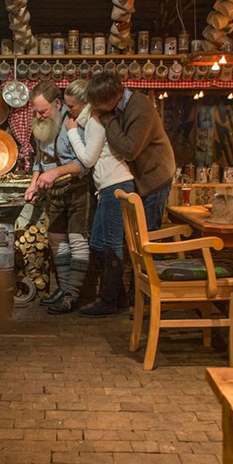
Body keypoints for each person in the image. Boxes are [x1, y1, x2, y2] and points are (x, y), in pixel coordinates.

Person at [62, 80, 134, 318]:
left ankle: (109, 301)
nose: (68, 111)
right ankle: (119, 297)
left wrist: (72, 133)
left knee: (112, 245)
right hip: (107, 188)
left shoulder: (94, 121)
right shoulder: (90, 120)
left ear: (85, 103)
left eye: (71, 106)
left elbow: (88, 159)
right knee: (97, 244)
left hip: (117, 186)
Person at [24, 81, 93, 314]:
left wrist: (55, 172)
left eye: (42, 110)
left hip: (76, 187)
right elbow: (39, 159)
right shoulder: (42, 123)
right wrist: (34, 182)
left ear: (57, 103)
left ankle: (73, 294)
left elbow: (84, 164)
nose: (38, 115)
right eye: (35, 110)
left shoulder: (74, 124)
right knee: (55, 238)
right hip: (54, 191)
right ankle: (64, 289)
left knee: (77, 239)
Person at [86, 72, 175, 231]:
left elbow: (129, 150)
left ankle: (153, 257)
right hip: (141, 176)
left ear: (112, 100)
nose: (95, 110)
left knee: (148, 232)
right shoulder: (119, 105)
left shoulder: (141, 107)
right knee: (136, 232)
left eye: (98, 106)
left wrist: (107, 118)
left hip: (155, 177)